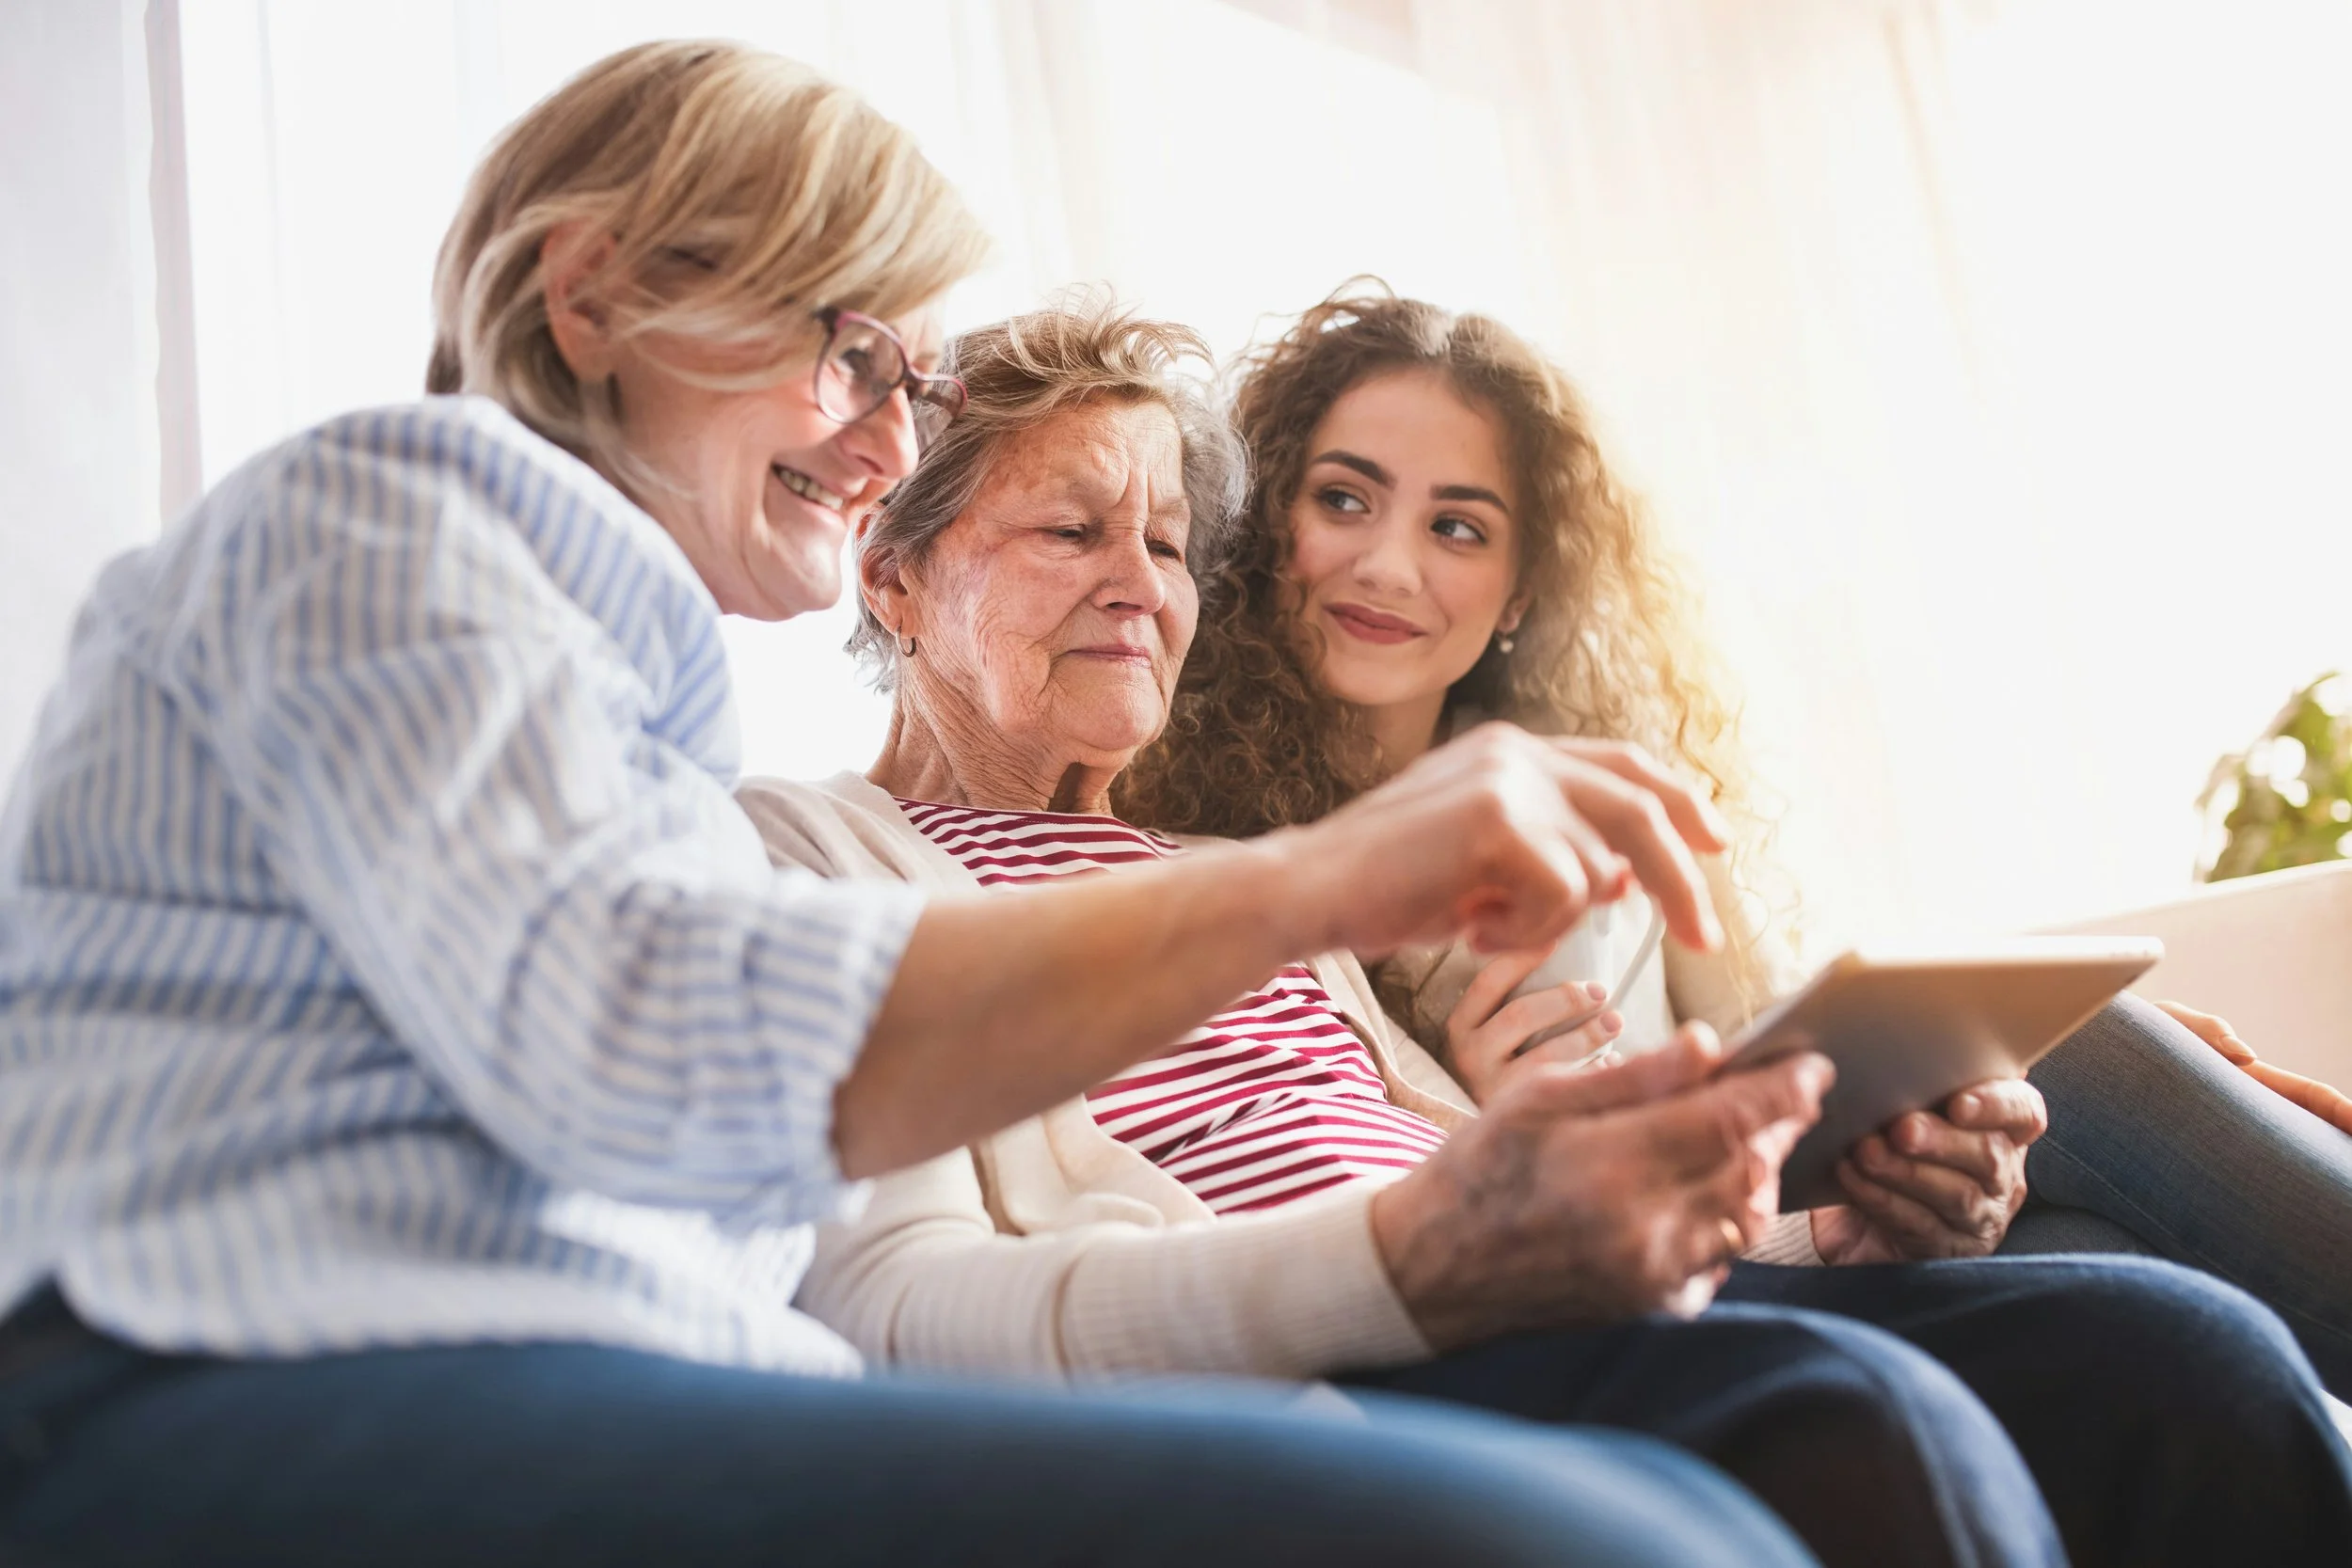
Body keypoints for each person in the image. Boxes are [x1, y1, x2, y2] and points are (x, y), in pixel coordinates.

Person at [0, 47, 1837, 1568]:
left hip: (610, 1374)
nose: (885, 434)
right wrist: (1317, 883)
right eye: (847, 348)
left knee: (1694, 1509)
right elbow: (653, 1039)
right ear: (591, 296)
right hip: (227, 1373)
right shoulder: (387, 514)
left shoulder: (625, 727)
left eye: (909, 375)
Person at [741, 298, 2352, 1568]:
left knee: (2183, 1348)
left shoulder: (1217, 865)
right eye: (1070, 530)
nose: (1142, 586)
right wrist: (1431, 1258)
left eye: (1165, 543)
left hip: (1557, 1287)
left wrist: (1837, 1227)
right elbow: (905, 1287)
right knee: (1878, 1412)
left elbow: (1498, 1175)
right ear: (891, 576)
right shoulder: (808, 854)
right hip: (1360, 1347)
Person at [1117, 284, 2352, 1399]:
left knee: (2101, 1241)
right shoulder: (1211, 873)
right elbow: (1359, 1206)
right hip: (1616, 1299)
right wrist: (1490, 1122)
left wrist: (1957, 1110)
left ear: (1524, 590)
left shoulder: (1623, 801)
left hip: (1791, 1232)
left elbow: (1796, 1058)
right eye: (1344, 498)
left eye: (1459, 526)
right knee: (2096, 1077)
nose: (1388, 564)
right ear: (1264, 523)